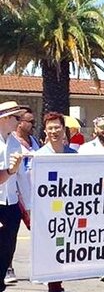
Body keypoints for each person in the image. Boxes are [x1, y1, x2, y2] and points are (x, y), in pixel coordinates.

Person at [35, 112, 77, 292]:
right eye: (50, 128)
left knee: (62, 247)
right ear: (45, 131)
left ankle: (53, 281)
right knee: (52, 247)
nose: (54, 131)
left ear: (64, 129)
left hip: (68, 211)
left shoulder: (73, 155)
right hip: (46, 211)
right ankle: (55, 288)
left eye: (57, 127)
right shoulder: (39, 156)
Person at [5, 107, 39, 283]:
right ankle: (7, 270)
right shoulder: (10, 143)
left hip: (23, 197)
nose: (33, 125)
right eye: (30, 122)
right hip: (8, 197)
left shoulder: (28, 142)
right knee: (7, 240)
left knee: (35, 233)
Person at [0, 101, 26, 292]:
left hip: (11, 203)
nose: (19, 122)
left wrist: (29, 207)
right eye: (16, 118)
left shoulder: (15, 143)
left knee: (8, 248)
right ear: (5, 118)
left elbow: (22, 176)